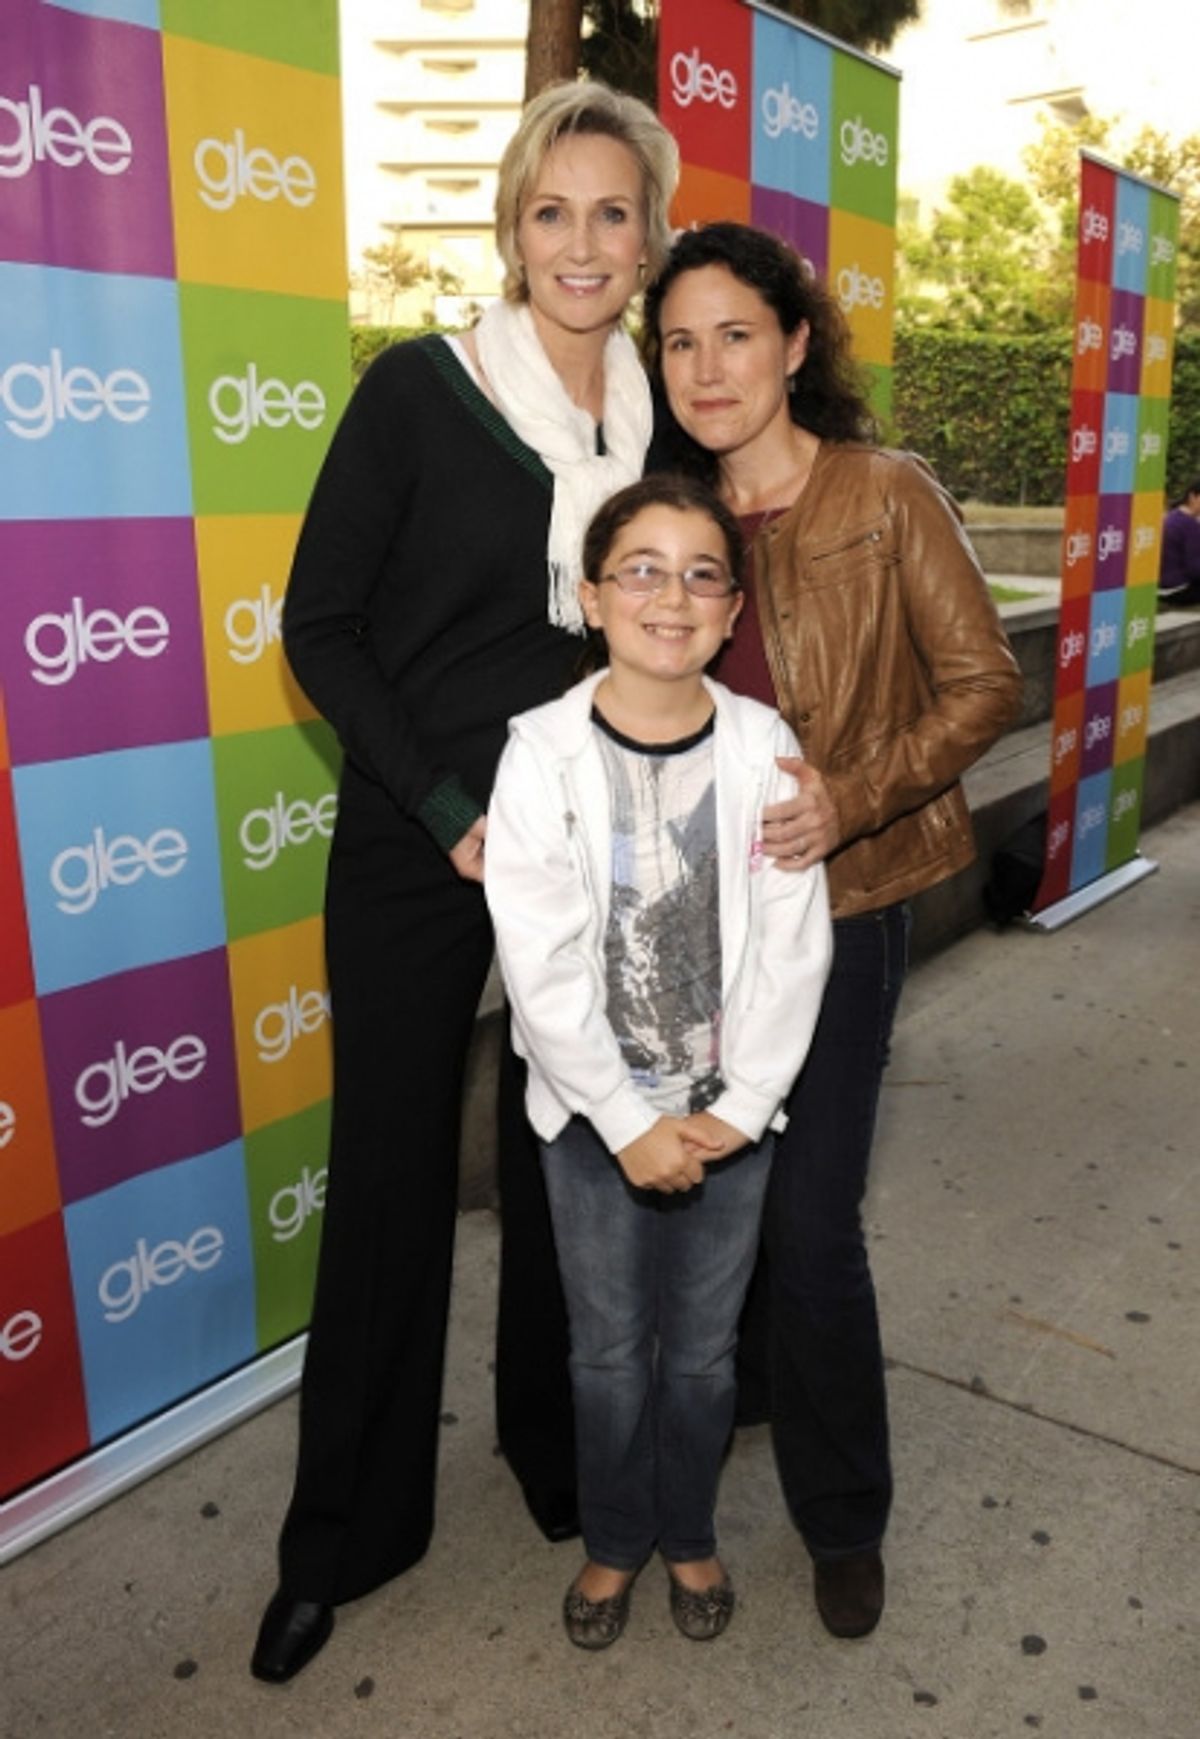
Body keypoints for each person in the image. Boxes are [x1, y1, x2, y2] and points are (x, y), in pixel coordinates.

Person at [249, 82, 680, 1685]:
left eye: (612, 211)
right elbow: (321, 626)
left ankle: (550, 1451)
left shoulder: (658, 420)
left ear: (648, 235)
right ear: (513, 225)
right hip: (421, 842)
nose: (582, 241)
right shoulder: (420, 392)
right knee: (388, 1189)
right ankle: (339, 1538)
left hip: (592, 852)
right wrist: (442, 806)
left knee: (566, 1167)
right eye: (552, 210)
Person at [643, 222, 1023, 1641]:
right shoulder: (664, 514)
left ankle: (842, 1513)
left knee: (810, 1225)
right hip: (689, 930)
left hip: (845, 905)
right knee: (711, 1204)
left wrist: (848, 797)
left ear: (796, 344)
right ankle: (735, 1398)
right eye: (680, 340)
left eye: (737, 332)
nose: (708, 365)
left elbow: (983, 682)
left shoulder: (882, 494)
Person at [484, 475, 833, 1649]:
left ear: (733, 611)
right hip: (592, 1125)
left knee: (699, 1353)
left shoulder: (765, 743)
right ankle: (614, 1536)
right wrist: (625, 1119)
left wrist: (739, 1106)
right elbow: (539, 957)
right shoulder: (537, 751)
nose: (669, 597)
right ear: (590, 596)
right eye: (640, 568)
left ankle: (688, 1528)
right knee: (604, 1351)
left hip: (728, 1122)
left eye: (700, 573)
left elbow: (794, 938)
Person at [1158, 478, 1200, 606]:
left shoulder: (1173, 517)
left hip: (1161, 587)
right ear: (1192, 497)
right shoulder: (1190, 524)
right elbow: (1195, 569)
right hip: (1178, 590)